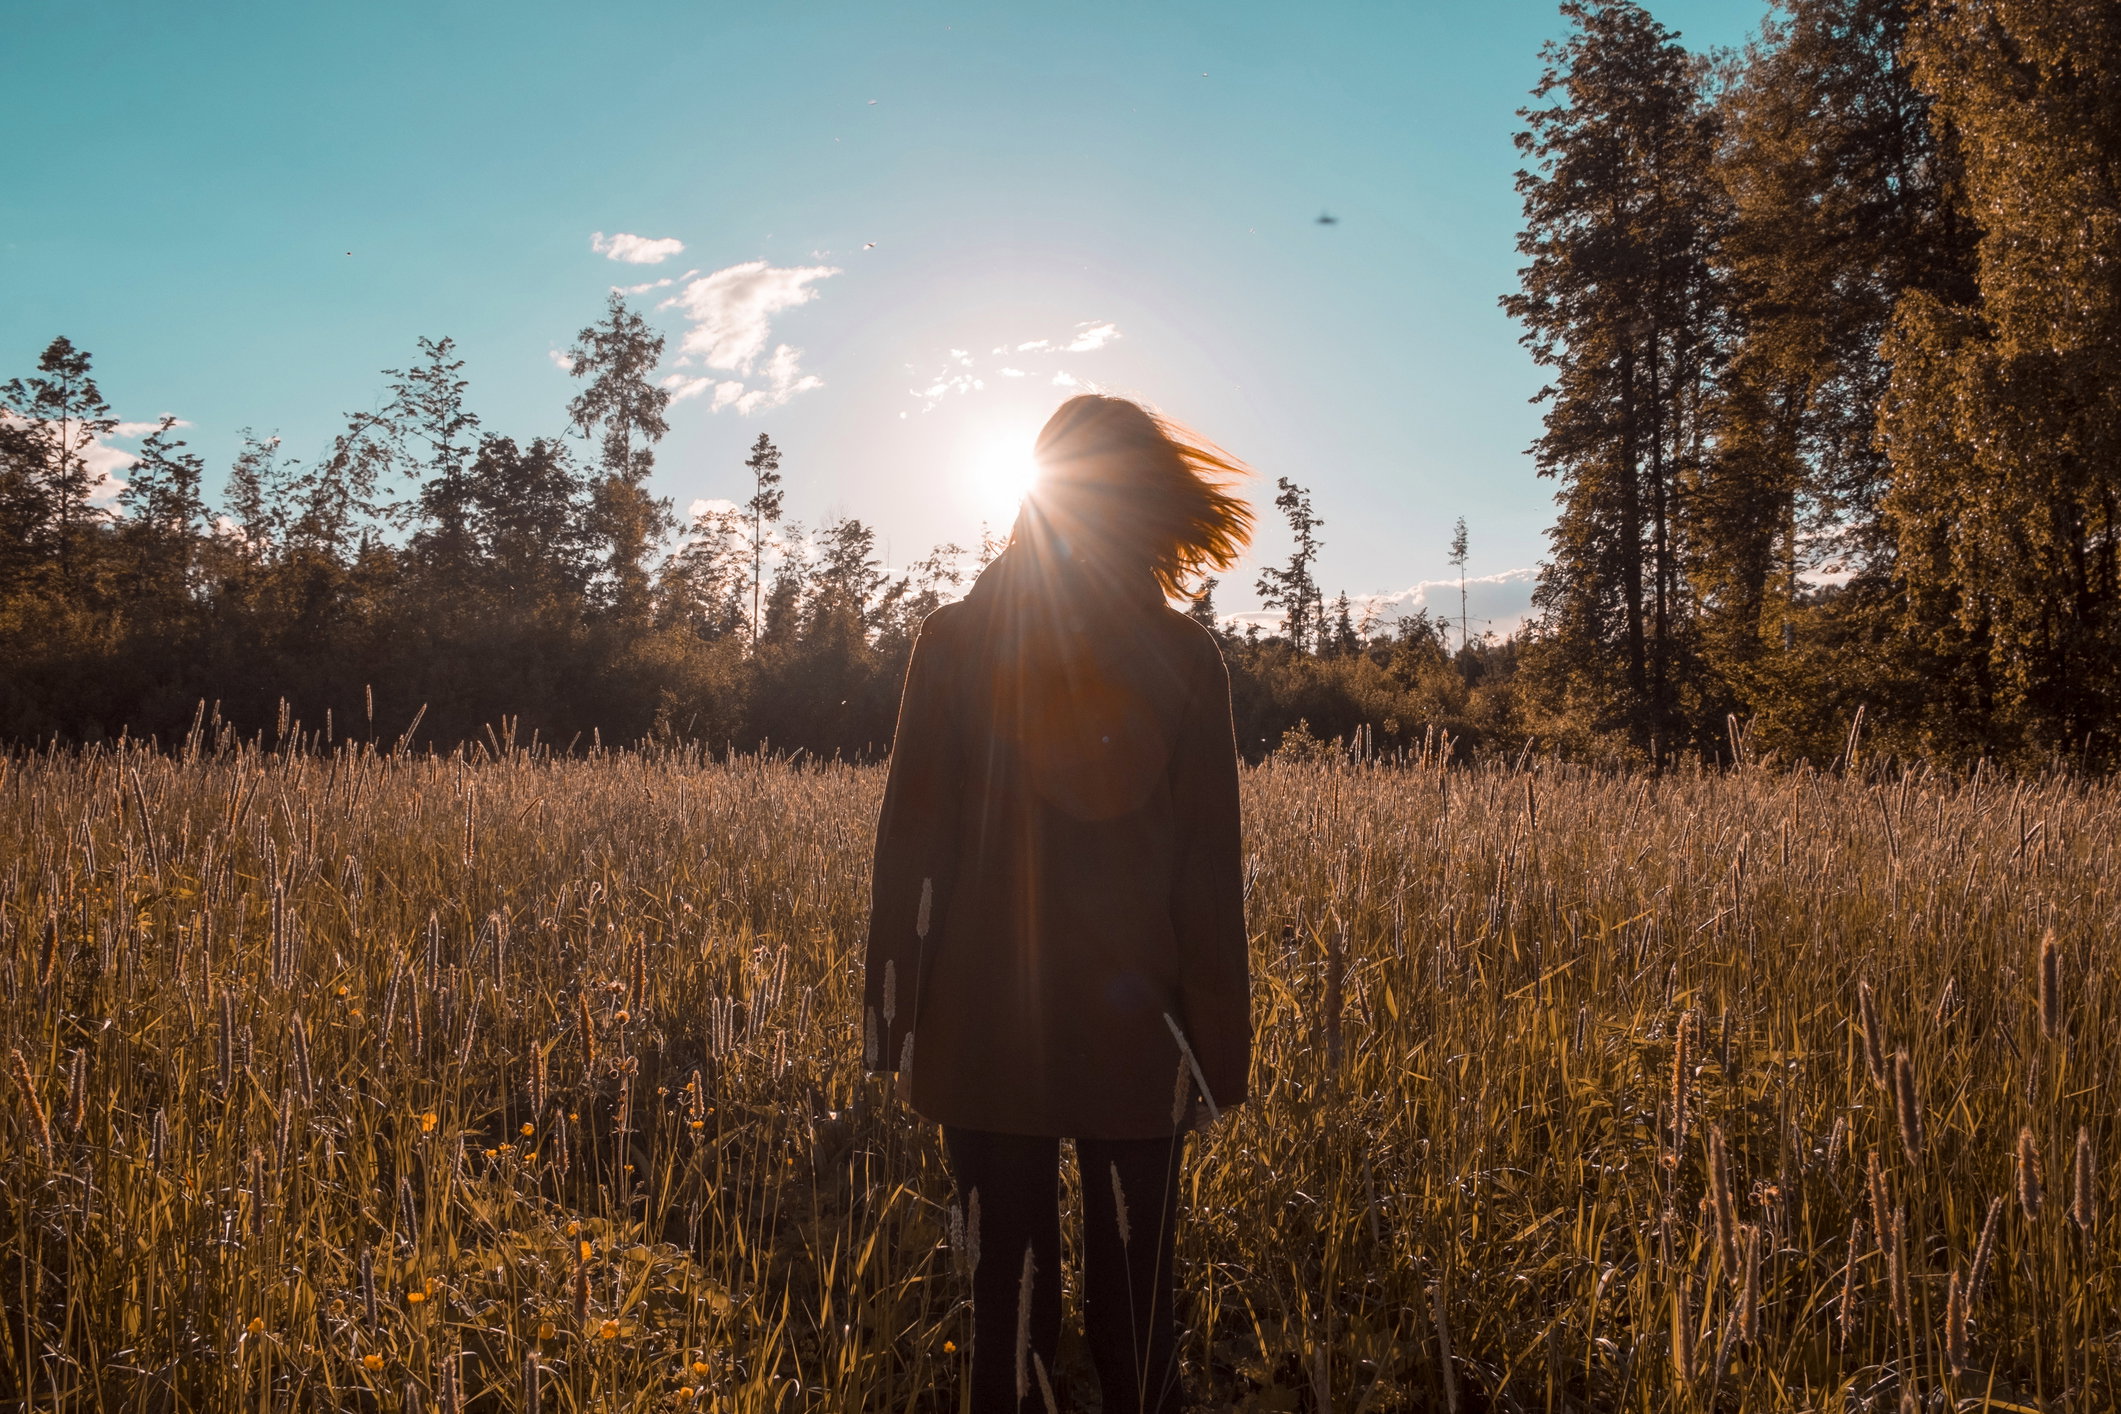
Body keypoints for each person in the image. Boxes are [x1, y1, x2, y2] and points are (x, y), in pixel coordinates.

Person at [863, 394, 1255, 1413]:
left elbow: (909, 849)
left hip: (985, 1032)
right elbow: (1208, 878)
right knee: (1138, 1317)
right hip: (1142, 1038)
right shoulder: (1181, 659)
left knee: (1010, 1316)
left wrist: (890, 1023)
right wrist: (1221, 1054)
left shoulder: (953, 641)